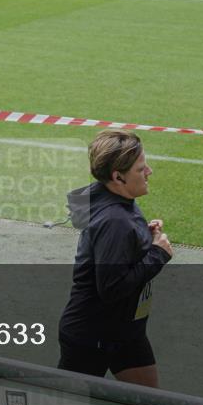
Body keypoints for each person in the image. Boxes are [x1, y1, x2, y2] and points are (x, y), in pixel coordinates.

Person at [58, 130, 173, 387]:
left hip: (125, 331)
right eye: (141, 169)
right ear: (117, 177)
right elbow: (112, 288)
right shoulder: (114, 221)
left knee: (149, 400)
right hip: (93, 336)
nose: (149, 171)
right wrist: (158, 254)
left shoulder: (118, 200)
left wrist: (143, 237)